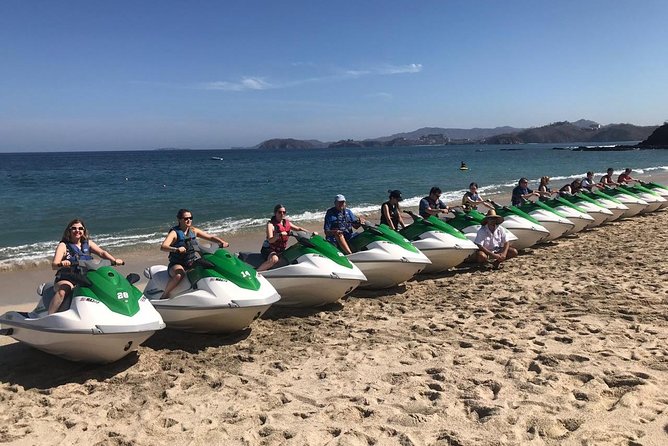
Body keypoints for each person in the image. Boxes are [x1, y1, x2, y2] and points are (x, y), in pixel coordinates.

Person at [50, 218, 123, 314]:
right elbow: (54, 264)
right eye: (74, 228)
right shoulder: (63, 246)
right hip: (68, 278)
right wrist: (63, 263)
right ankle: (49, 316)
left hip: (85, 277)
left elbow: (102, 253)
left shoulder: (88, 243)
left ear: (83, 230)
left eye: (80, 228)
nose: (77, 231)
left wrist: (114, 260)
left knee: (104, 286)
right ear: (69, 230)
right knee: (63, 290)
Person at [159, 209, 229, 299]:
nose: (189, 220)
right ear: (179, 219)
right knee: (179, 274)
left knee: (210, 266)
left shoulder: (193, 231)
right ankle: (165, 295)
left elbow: (210, 237)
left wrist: (222, 242)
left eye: (190, 218)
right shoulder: (174, 233)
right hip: (177, 264)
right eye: (186, 218)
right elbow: (163, 247)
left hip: (191, 261)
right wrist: (176, 249)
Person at [257, 204, 310, 271]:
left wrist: (311, 233)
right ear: (275, 213)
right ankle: (257, 272)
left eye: (284, 212)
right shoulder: (270, 224)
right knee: (274, 259)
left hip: (281, 250)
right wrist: (279, 235)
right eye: (279, 212)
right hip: (269, 248)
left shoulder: (286, 223)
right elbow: (270, 240)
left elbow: (299, 229)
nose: (282, 214)